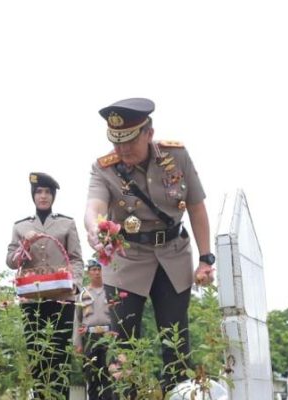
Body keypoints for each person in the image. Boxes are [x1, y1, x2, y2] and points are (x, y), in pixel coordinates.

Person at [84, 97, 215, 394]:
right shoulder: (103, 168)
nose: (122, 150)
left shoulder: (176, 156)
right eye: (116, 143)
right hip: (126, 261)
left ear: (148, 133)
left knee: (176, 341)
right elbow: (93, 207)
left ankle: (179, 393)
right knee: (123, 345)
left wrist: (206, 259)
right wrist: (95, 229)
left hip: (173, 256)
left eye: (129, 141)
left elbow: (196, 207)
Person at [6, 172, 83, 400]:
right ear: (33, 196)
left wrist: (75, 284)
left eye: (47, 192)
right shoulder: (21, 226)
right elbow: (11, 261)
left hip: (61, 296)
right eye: (39, 192)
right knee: (37, 355)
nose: (43, 196)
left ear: (53, 196)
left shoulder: (66, 223)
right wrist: (25, 244)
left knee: (59, 355)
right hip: (32, 298)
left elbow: (76, 258)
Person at [75, 259, 114, 400]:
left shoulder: (110, 292)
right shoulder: (82, 293)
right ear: (88, 272)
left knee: (109, 375)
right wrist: (78, 343)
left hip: (109, 336)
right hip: (89, 337)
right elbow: (77, 320)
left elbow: (118, 316)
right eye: (94, 270)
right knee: (91, 376)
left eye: (100, 269)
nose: (97, 273)